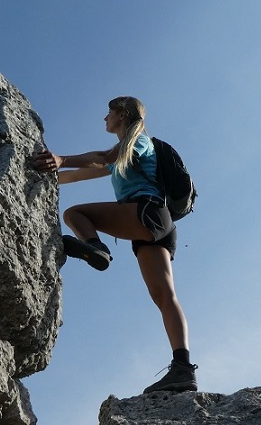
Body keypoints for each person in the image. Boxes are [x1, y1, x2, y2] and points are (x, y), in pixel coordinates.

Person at [32, 96, 197, 394]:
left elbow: (101, 157)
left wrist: (61, 158)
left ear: (121, 115)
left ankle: (97, 248)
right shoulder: (121, 158)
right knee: (164, 297)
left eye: (108, 113)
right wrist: (42, 173)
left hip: (146, 212)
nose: (104, 118)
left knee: (74, 214)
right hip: (157, 227)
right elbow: (80, 174)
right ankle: (183, 369)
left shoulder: (140, 142)